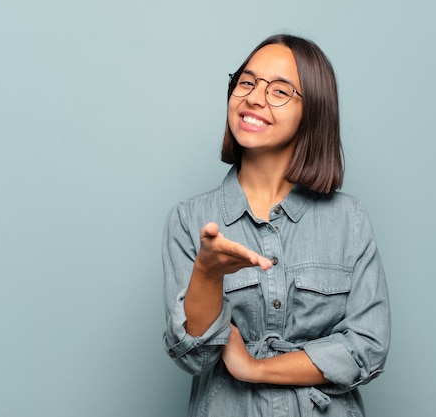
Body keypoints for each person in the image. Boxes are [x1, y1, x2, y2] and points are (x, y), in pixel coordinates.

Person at [162, 34, 390, 417]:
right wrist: (207, 272)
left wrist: (255, 368)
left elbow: (367, 346)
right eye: (247, 82)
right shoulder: (189, 219)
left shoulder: (349, 220)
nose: (253, 97)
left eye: (280, 90)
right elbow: (195, 357)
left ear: (313, 111)